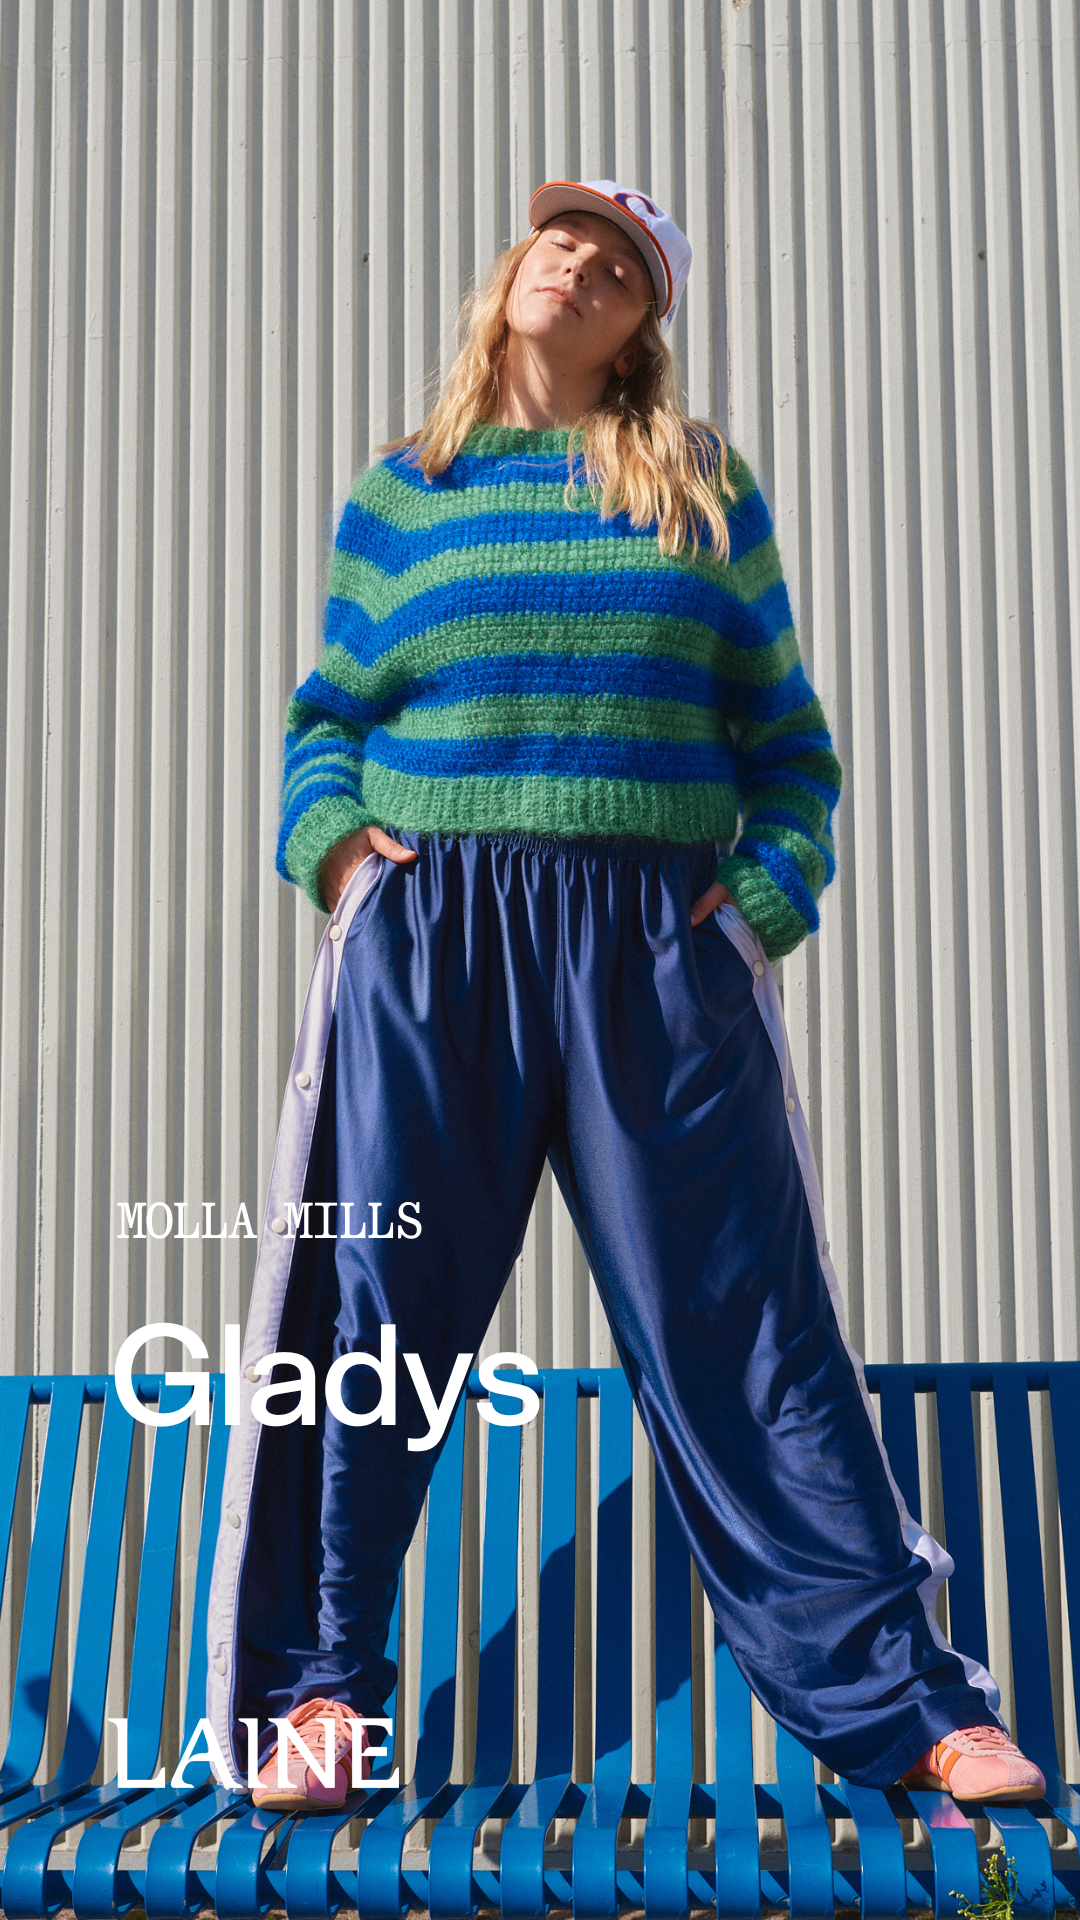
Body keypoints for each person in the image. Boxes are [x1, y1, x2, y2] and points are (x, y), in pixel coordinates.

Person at [206, 180, 1044, 1813]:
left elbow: (789, 746)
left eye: (617, 264)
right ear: (511, 272)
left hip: (653, 946)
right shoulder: (403, 496)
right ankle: (321, 1699)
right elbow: (326, 716)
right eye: (559, 241)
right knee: (378, 1325)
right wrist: (336, 855)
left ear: (642, 323)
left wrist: (764, 900)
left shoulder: (699, 491)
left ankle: (907, 1706)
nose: (575, 265)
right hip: (433, 933)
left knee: (744, 1329)